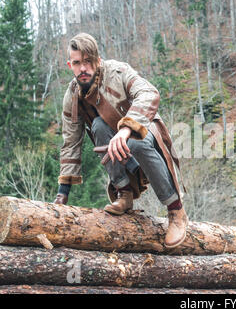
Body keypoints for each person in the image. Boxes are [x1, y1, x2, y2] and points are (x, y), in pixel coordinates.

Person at [53, 33, 188, 248]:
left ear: (98, 60)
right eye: (77, 63)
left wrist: (126, 129)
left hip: (145, 133)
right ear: (70, 65)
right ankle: (124, 193)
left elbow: (149, 93)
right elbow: (71, 141)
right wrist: (62, 194)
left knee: (135, 141)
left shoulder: (118, 71)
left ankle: (176, 210)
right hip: (116, 148)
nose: (83, 68)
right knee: (97, 125)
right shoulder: (73, 95)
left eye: (88, 61)